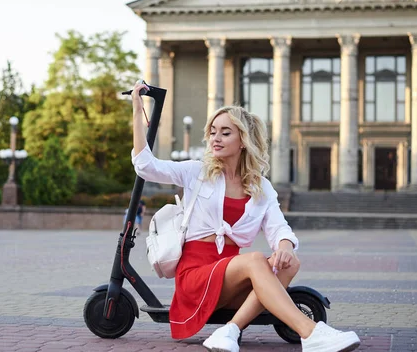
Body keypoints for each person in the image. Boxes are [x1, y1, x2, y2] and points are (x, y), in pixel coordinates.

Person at [130, 80, 360, 352]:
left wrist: (285, 247)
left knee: (290, 263)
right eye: (213, 132)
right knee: (253, 261)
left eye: (225, 133)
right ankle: (311, 334)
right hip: (196, 276)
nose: (215, 138)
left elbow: (279, 229)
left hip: (231, 283)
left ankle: (229, 331)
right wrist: (137, 108)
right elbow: (145, 165)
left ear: (243, 141)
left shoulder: (261, 188)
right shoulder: (197, 173)